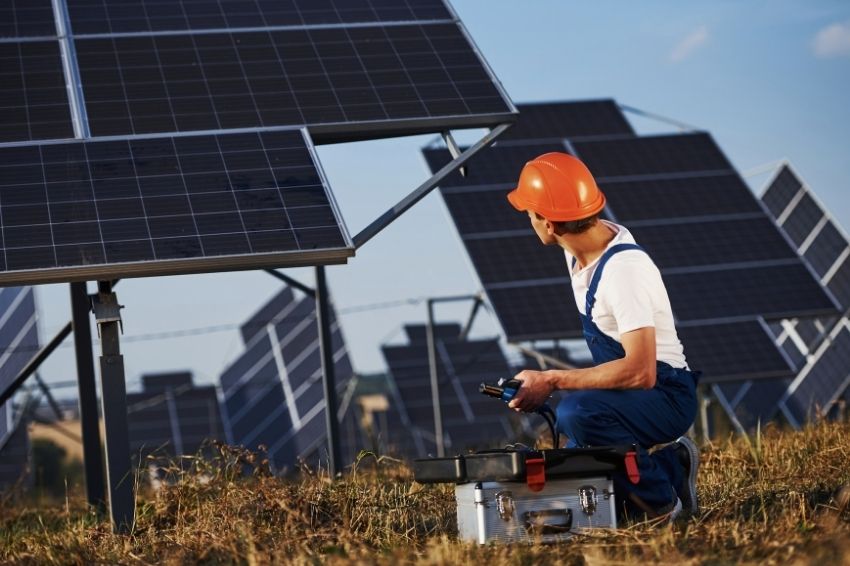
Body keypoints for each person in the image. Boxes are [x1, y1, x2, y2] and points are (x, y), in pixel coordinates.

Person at [505, 151, 700, 522]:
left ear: (549, 224)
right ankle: (673, 465)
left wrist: (551, 380)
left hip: (665, 393)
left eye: (530, 214)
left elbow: (642, 372)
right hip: (630, 394)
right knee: (575, 460)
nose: (529, 222)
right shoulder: (579, 245)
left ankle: (662, 504)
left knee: (578, 413)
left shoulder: (624, 270)